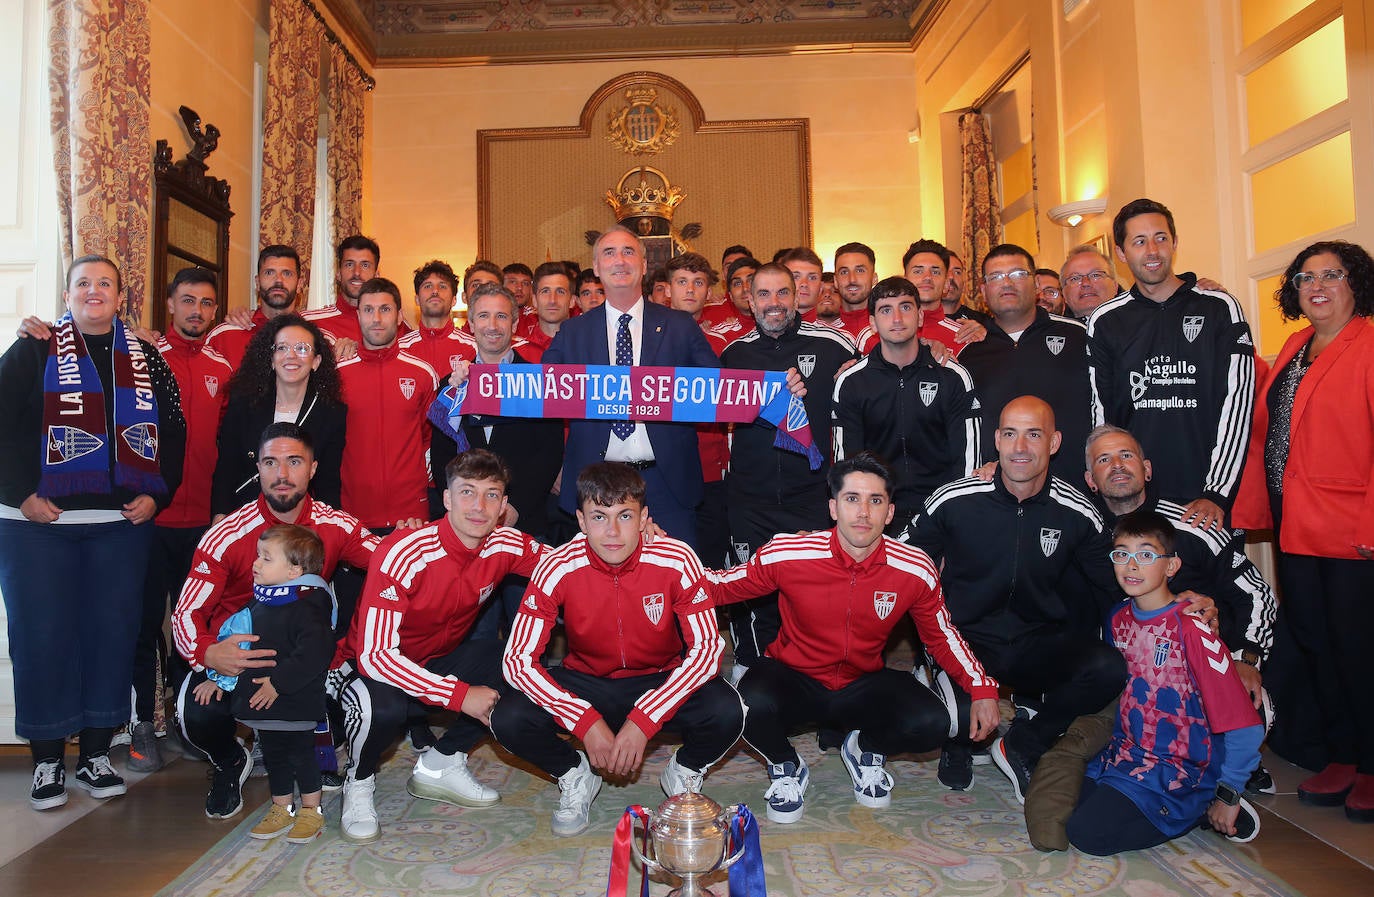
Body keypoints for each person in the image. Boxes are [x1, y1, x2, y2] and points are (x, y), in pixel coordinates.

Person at [712, 453, 1000, 822]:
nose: (863, 512)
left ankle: (865, 747)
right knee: (742, 703)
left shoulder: (914, 567)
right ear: (833, 507)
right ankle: (785, 765)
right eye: (852, 499)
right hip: (793, 678)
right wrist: (652, 552)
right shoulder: (788, 552)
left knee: (934, 722)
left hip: (862, 682)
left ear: (890, 512)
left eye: (875, 501)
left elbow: (942, 636)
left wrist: (982, 687)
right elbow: (718, 587)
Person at [0, 255, 185, 810]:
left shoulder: (147, 358)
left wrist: (158, 494)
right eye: (84, 283)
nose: (94, 291)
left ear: (120, 296)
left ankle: (98, 755)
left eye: (105, 282)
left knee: (110, 640)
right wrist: (20, 494)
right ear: (67, 294)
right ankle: (48, 762)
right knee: (43, 640)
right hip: (36, 527)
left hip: (116, 529)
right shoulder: (32, 349)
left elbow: (174, 433)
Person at [492, 463, 743, 837]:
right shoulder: (557, 566)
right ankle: (574, 774)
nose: (612, 532)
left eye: (624, 516)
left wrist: (644, 720)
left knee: (729, 709)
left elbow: (707, 649)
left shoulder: (677, 558)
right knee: (508, 716)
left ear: (644, 519)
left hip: (659, 679)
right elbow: (517, 660)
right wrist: (583, 720)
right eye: (599, 517)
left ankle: (684, 771)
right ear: (581, 520)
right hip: (586, 681)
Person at [908, 396, 1125, 800]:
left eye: (1033, 435)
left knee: (1107, 668)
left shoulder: (1077, 511)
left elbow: (1117, 584)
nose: (1020, 448)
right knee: (950, 717)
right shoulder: (954, 498)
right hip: (964, 642)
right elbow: (901, 562)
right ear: (997, 440)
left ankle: (1025, 739)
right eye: (1010, 434)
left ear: (1054, 442)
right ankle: (958, 744)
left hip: (1035, 644)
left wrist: (1181, 603)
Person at [334, 450, 548, 843]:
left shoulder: (505, 543)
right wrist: (460, 695)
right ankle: (358, 780)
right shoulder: (403, 551)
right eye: (467, 492)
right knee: (381, 706)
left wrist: (638, 541)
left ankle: (442, 762)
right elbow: (376, 656)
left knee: (520, 662)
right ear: (446, 499)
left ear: (504, 505)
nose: (479, 507)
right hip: (364, 669)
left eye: (491, 495)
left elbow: (570, 566)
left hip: (435, 659)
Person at [1232, 240, 1374, 822]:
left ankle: (1370, 763)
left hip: (1354, 531)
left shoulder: (1369, 345)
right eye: (1305, 278)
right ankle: (1342, 753)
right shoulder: (1295, 347)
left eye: (1331, 275)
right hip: (1297, 527)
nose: (1316, 286)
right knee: (1317, 644)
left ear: (1355, 283)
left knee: (1360, 651)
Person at [174, 423, 379, 820]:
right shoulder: (226, 535)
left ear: (313, 468)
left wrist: (426, 537)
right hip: (238, 657)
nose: (282, 474)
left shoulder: (337, 524)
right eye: (271, 462)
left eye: (294, 462)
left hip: (304, 655)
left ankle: (315, 753)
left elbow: (391, 565)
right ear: (259, 469)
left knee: (353, 688)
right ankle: (231, 759)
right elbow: (185, 612)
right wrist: (208, 653)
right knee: (193, 714)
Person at [1065, 510, 1263, 854]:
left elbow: (1244, 723)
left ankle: (1203, 808)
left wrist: (1229, 792)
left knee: (1087, 835)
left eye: (1146, 555)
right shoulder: (1117, 618)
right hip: (1128, 753)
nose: (1131, 565)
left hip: (1180, 765)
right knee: (1065, 807)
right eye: (1121, 554)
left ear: (1171, 566)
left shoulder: (1193, 626)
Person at [719, 263, 857, 677]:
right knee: (748, 585)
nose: (773, 304)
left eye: (782, 293)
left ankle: (814, 671)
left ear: (797, 295)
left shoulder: (836, 345)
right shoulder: (734, 353)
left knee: (814, 592)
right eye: (764, 294)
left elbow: (874, 376)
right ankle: (748, 667)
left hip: (812, 494)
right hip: (750, 495)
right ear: (749, 299)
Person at [542, 226, 719, 545]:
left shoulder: (681, 327)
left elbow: (719, 392)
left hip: (667, 483)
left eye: (628, 252)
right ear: (596, 268)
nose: (619, 260)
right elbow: (535, 390)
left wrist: (775, 389)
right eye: (609, 253)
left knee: (675, 582)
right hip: (596, 483)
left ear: (644, 263)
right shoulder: (573, 332)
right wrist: (478, 379)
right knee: (597, 590)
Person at [1088, 198, 1255, 532]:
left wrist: (1217, 493)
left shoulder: (1220, 308)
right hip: (1134, 500)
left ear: (1174, 243)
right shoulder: (1105, 320)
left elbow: (1238, 404)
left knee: (1207, 586)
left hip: (1205, 500)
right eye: (1139, 241)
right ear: (1121, 254)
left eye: (1160, 238)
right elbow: (1102, 414)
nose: (1152, 250)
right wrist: (1113, 491)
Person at [1084, 426, 1274, 702]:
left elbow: (1258, 594)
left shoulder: (1193, 525)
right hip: (1129, 675)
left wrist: (1246, 659)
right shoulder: (1088, 535)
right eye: (1104, 459)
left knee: (1248, 712)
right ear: (1091, 480)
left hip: (1207, 665)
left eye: (1126, 455)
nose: (1117, 466)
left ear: (1147, 469)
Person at [131, 267, 233, 772]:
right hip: (148, 518)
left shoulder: (223, 366)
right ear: (170, 304)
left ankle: (186, 719)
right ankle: (143, 727)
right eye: (188, 300)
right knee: (144, 624)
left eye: (207, 303)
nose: (197, 311)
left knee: (192, 625)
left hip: (204, 526)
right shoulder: (143, 357)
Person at [192, 524, 335, 844]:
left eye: (266, 558)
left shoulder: (308, 607)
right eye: (258, 556)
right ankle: (282, 807)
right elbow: (238, 646)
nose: (256, 563)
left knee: (301, 755)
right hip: (262, 702)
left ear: (294, 569)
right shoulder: (258, 604)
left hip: (294, 700)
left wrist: (278, 684)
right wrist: (221, 679)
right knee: (274, 756)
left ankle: (312, 810)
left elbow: (314, 653)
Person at [832, 276, 981, 533]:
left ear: (920, 317)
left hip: (941, 515)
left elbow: (967, 462)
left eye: (906, 307)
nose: (897, 318)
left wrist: (958, 524)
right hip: (876, 518)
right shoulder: (851, 382)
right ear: (872, 323)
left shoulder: (953, 376)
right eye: (886, 310)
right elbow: (846, 463)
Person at [957, 243, 1093, 484]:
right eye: (996, 276)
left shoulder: (1078, 337)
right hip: (995, 492)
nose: (1007, 283)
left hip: (1073, 490)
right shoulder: (967, 352)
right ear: (984, 289)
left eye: (1018, 274)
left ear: (1037, 284)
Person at [212, 314, 347, 516]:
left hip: (301, 521)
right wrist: (220, 516)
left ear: (316, 361)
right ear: (272, 360)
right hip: (244, 516)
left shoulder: (331, 413)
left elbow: (328, 482)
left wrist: (328, 531)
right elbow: (226, 468)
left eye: (302, 349)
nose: (291, 356)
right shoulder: (244, 403)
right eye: (282, 348)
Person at [335, 277, 439, 533]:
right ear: (358, 315)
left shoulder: (423, 373)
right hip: (352, 514)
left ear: (399, 315)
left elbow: (431, 440)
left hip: (411, 515)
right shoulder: (337, 375)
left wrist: (417, 488)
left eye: (385, 309)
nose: (377, 319)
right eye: (369, 310)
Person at [205, 245, 304, 368]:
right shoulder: (224, 337)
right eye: (269, 272)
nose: (278, 280)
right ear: (257, 283)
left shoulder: (313, 339)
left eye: (287, 273)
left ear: (300, 284)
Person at [303, 235, 390, 345]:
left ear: (377, 275)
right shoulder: (309, 323)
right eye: (349, 264)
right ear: (338, 274)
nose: (357, 272)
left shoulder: (393, 323)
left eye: (365, 265)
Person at [397, 259, 475, 379]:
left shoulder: (474, 348)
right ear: (417, 299)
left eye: (442, 286)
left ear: (454, 300)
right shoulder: (399, 349)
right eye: (428, 286)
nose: (435, 291)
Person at [1058, 245, 1119, 323]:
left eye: (1095, 275)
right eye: (1075, 278)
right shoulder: (1054, 333)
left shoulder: (1136, 325)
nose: (1086, 283)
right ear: (1064, 294)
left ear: (1115, 286)